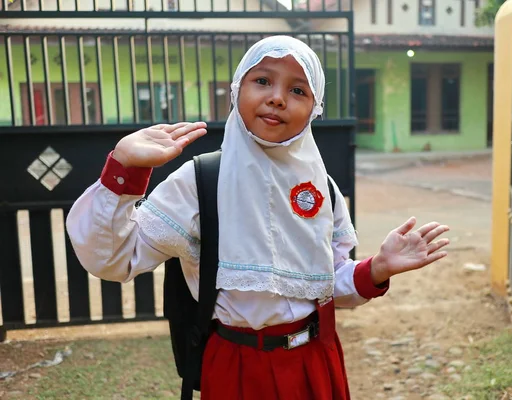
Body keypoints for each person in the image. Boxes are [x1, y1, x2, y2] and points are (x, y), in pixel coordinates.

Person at [66, 35, 450, 399]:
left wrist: (378, 268)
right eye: (262, 81)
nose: (277, 98)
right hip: (236, 367)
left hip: (313, 363)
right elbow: (113, 257)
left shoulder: (323, 189)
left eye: (298, 90)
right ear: (237, 90)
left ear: (314, 108)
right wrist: (123, 168)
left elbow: (326, 286)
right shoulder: (200, 182)